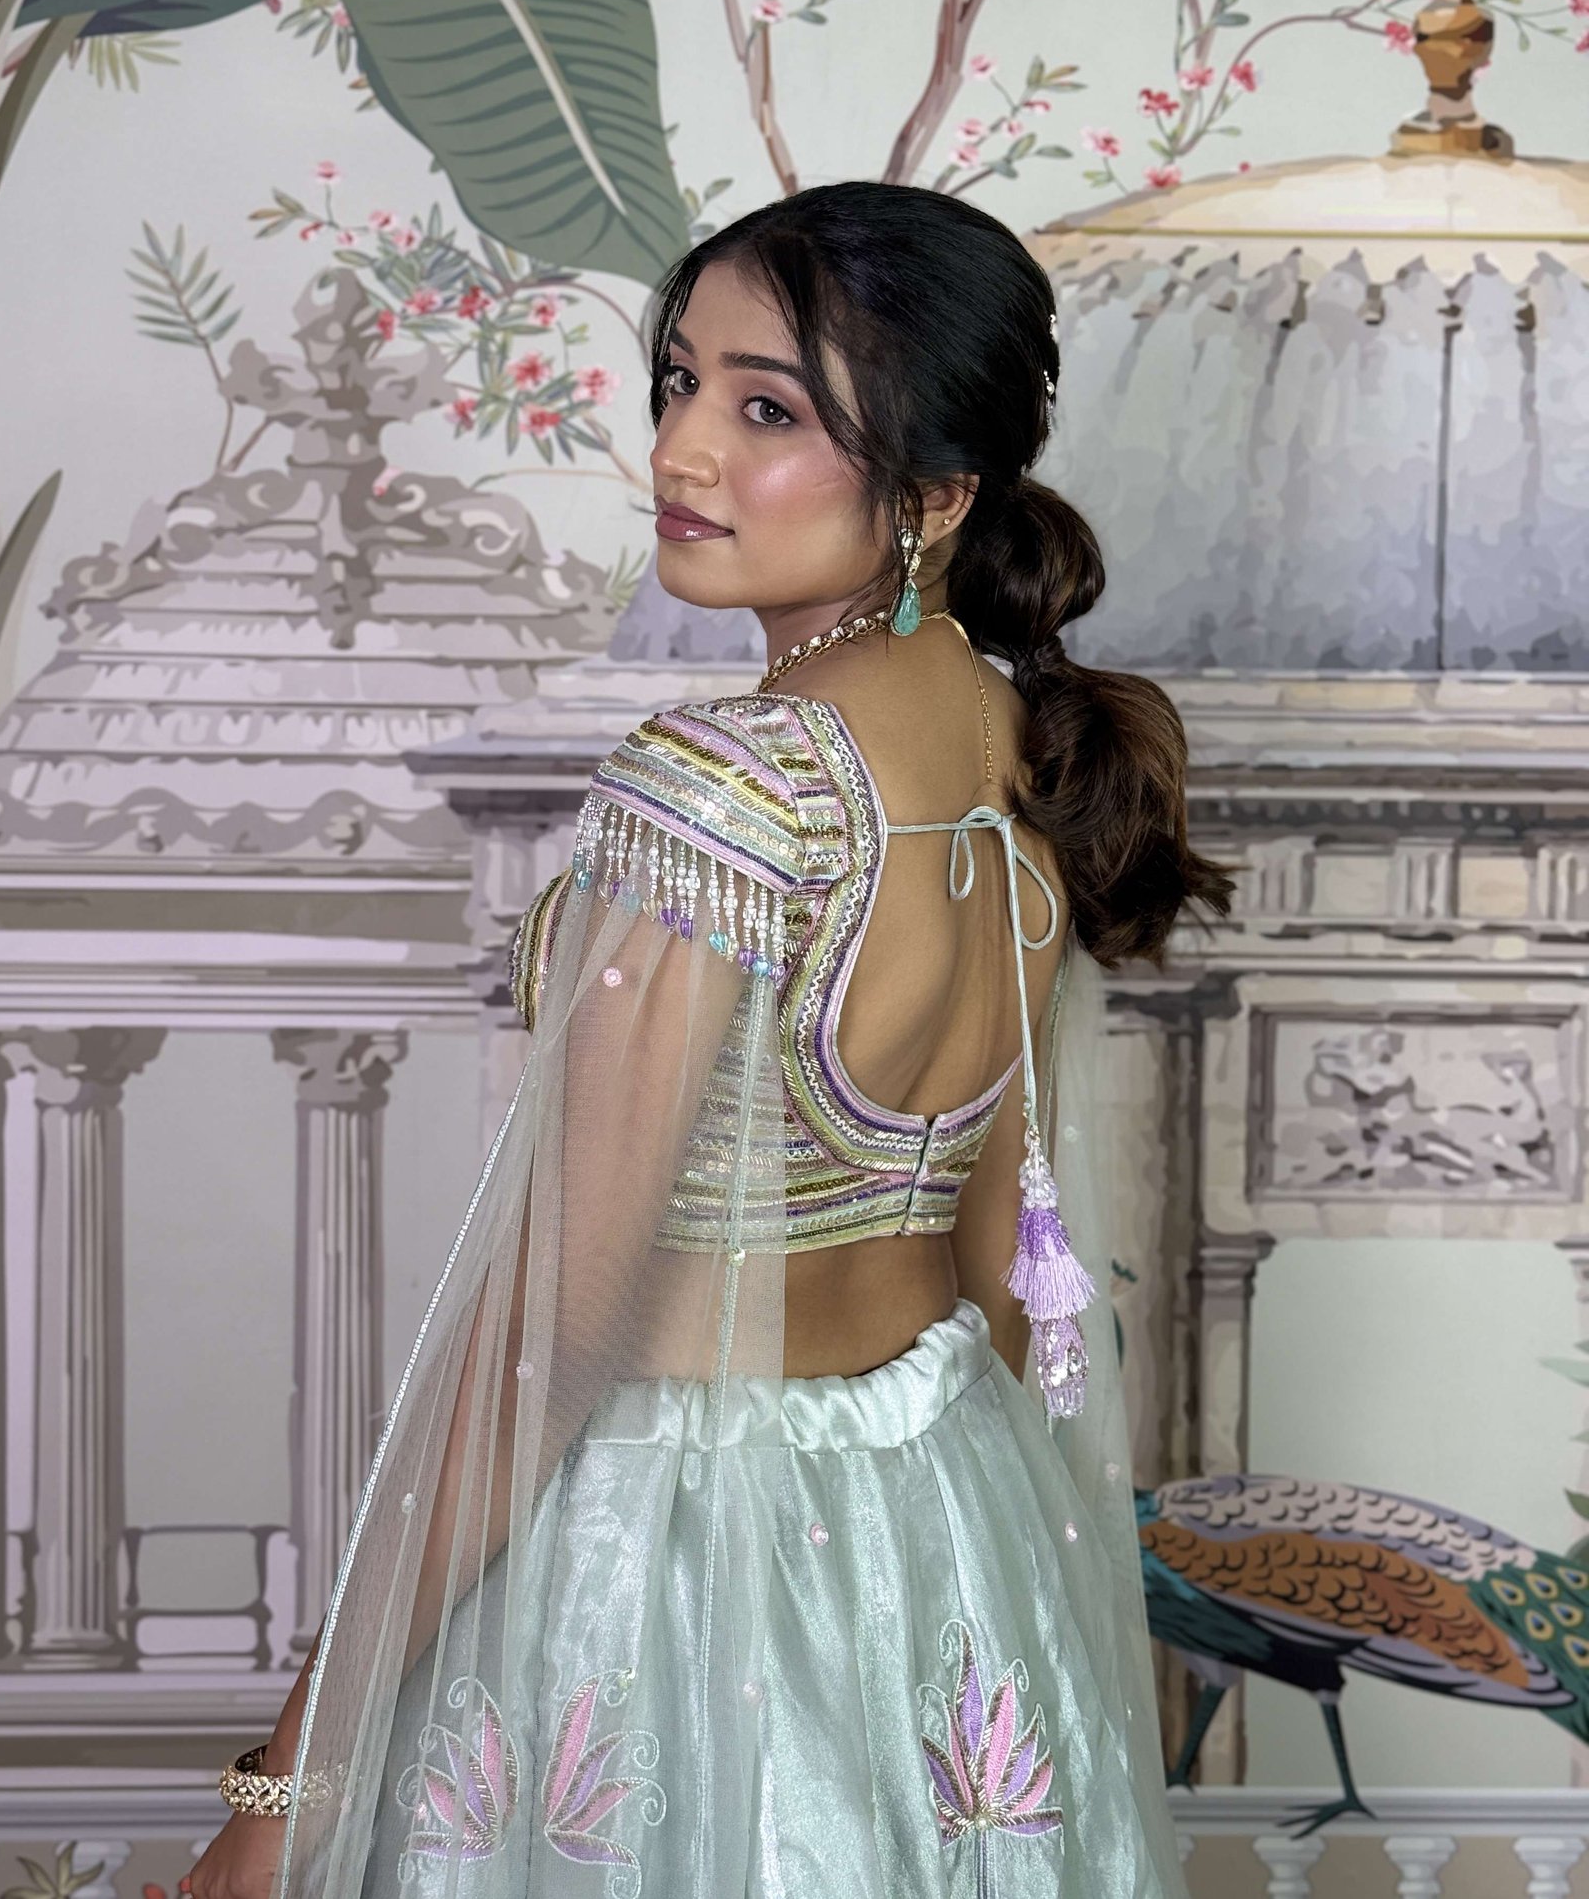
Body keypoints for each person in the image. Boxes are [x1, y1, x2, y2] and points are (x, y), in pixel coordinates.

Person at [191, 180, 1231, 1899]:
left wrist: (287, 1779)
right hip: (938, 1522)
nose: (680, 447)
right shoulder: (1015, 747)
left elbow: (552, 1340)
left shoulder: (727, 789)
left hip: (675, 1561)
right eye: (681, 380)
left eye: (769, 411)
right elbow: (1002, 1266)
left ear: (935, 494)